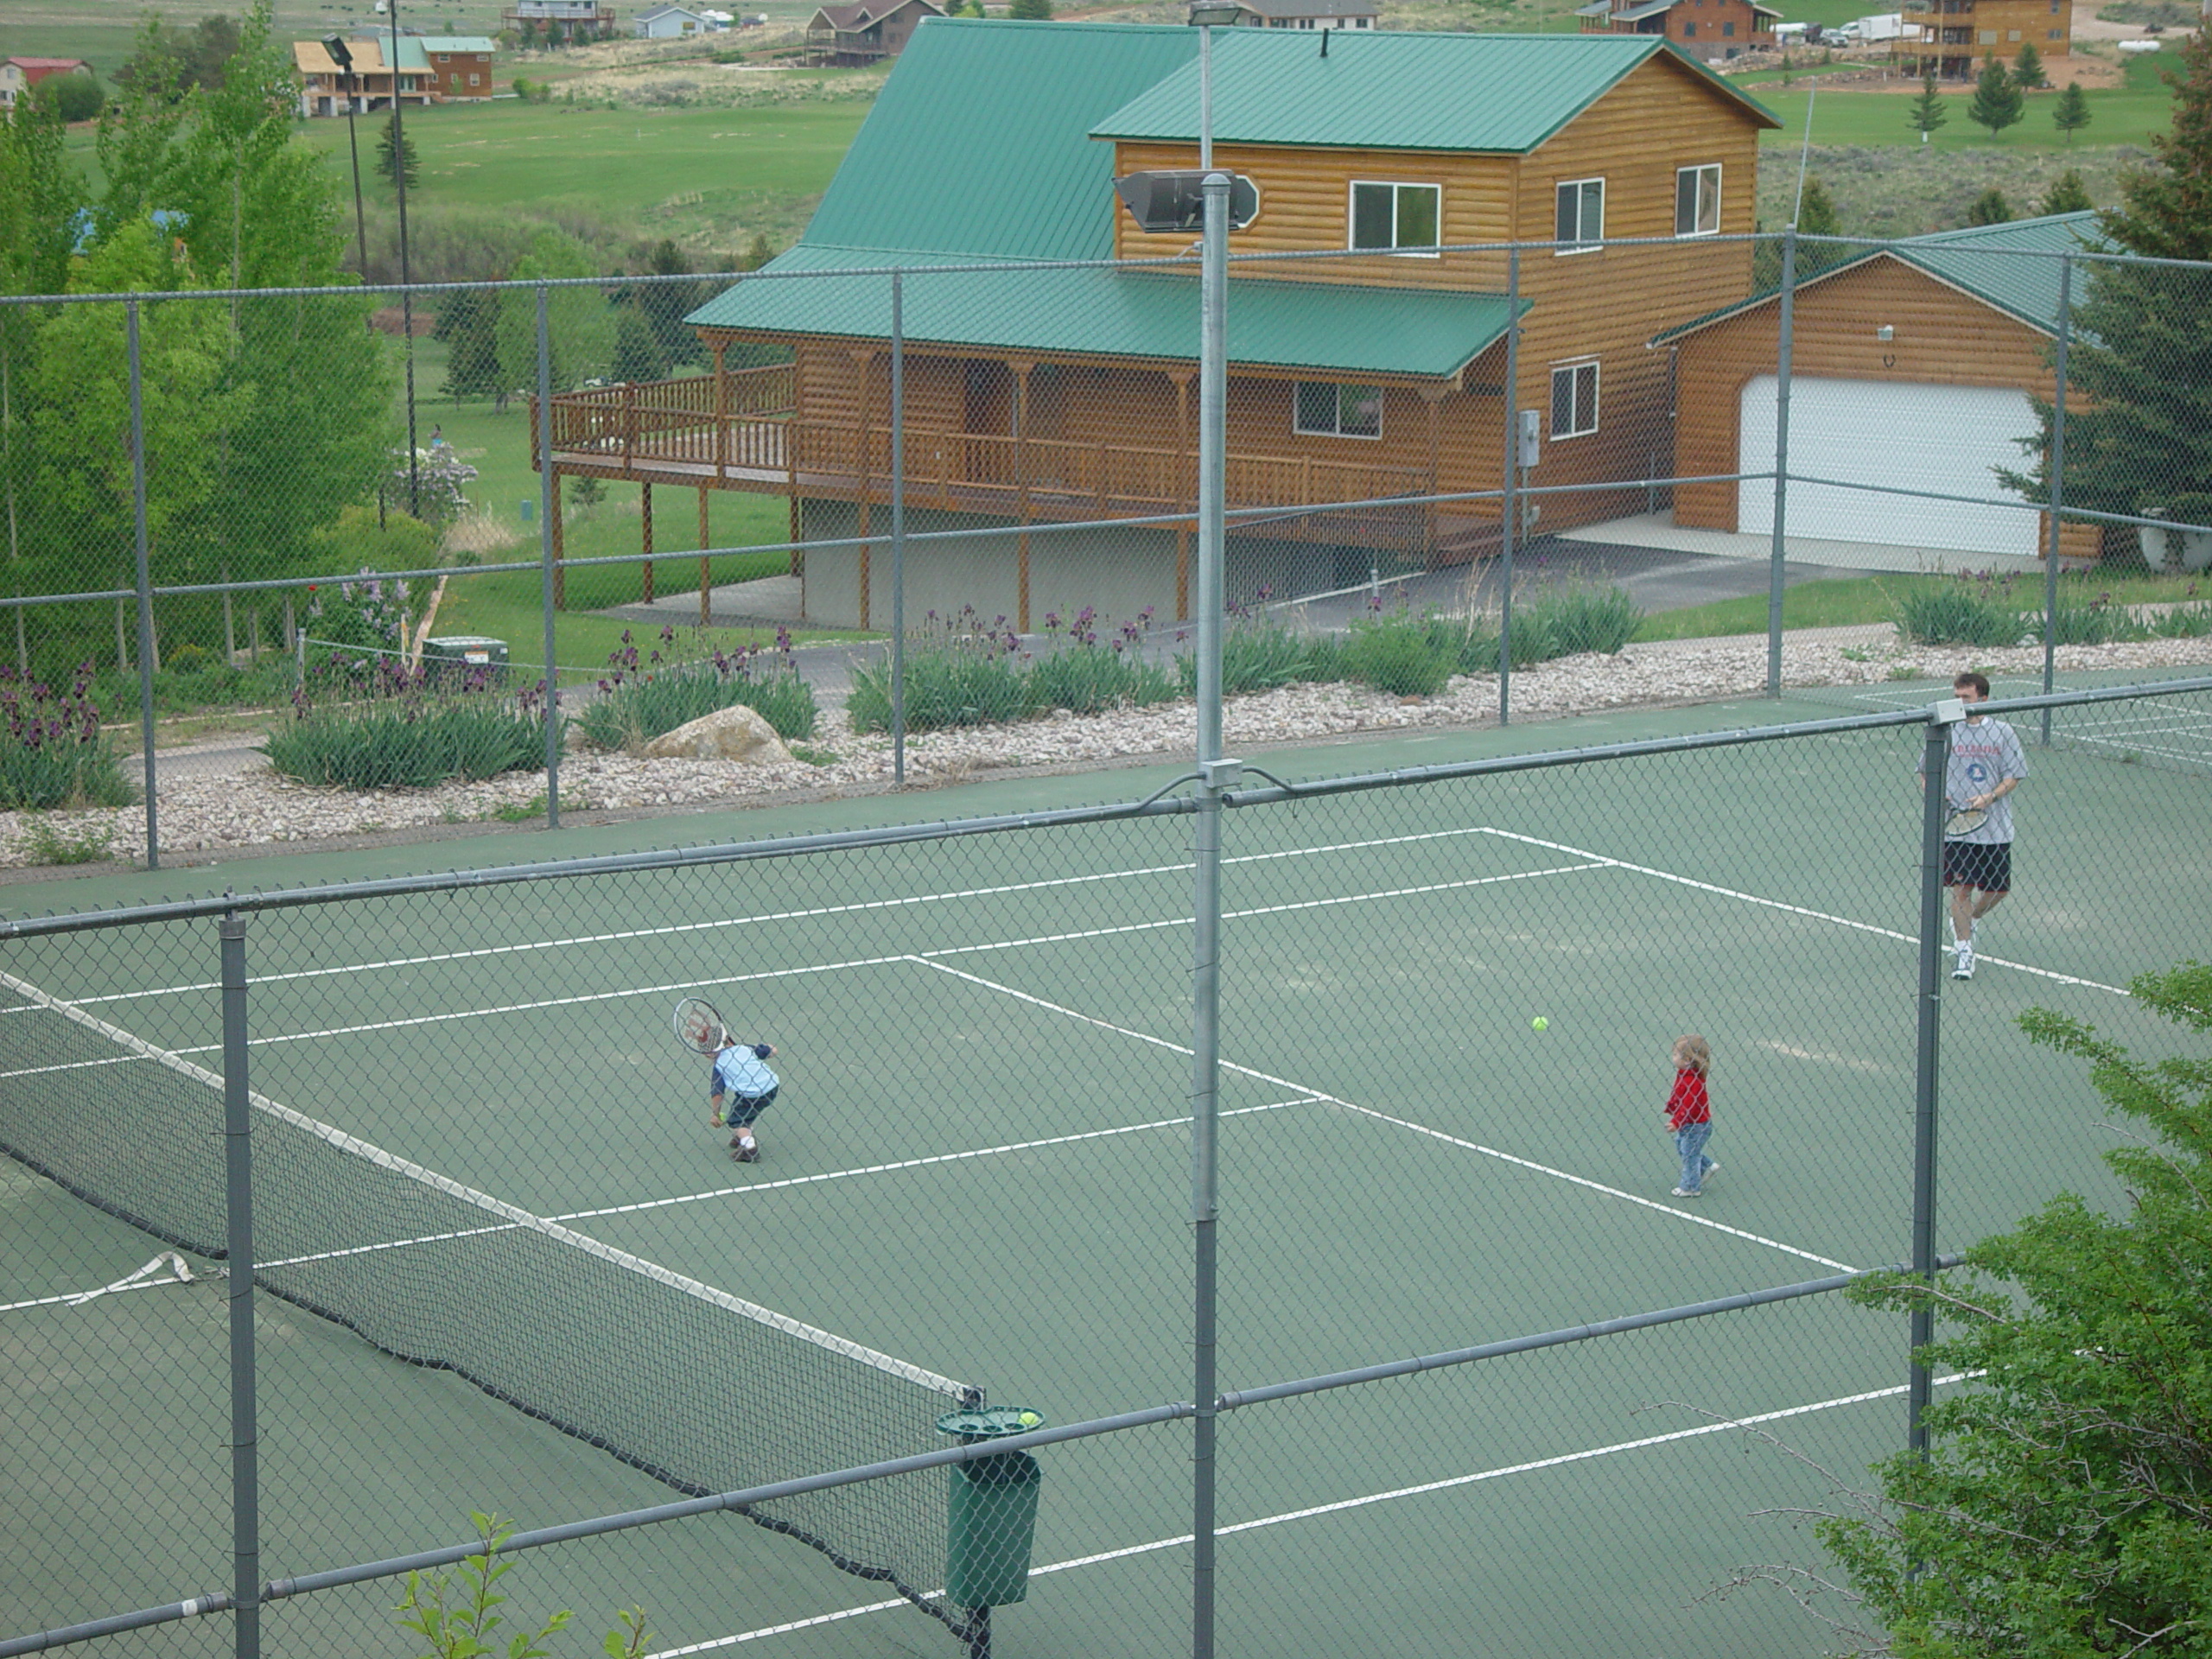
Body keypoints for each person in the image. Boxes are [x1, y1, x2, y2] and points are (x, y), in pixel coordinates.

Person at [1920, 671, 2028, 982]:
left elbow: (2014, 775)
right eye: (1956, 697)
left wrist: (1990, 796)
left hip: (1995, 829)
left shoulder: (2003, 733)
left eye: (1965, 698)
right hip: (1957, 829)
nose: (1959, 703)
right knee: (1961, 891)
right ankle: (1964, 950)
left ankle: (1969, 920)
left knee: (1998, 890)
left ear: (1983, 699)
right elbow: (1926, 772)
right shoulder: (1946, 731)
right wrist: (1939, 794)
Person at [709, 1029, 779, 1162]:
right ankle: (741, 1136)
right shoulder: (744, 1048)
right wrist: (769, 1049)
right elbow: (772, 1050)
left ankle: (749, 1149)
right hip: (772, 1086)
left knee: (737, 1120)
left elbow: (717, 1093)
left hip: (751, 1093)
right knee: (747, 1110)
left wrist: (715, 1114)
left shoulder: (719, 1065)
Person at [1666, 1034, 1716, 1199]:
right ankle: (1707, 1166)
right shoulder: (1684, 1075)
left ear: (1687, 1059)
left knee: (1689, 1154)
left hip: (1696, 1126)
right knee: (1683, 1147)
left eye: (1675, 1054)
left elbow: (1688, 1106)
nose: (1672, 1057)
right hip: (1691, 1124)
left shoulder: (1693, 1082)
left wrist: (1676, 1122)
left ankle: (1690, 1187)